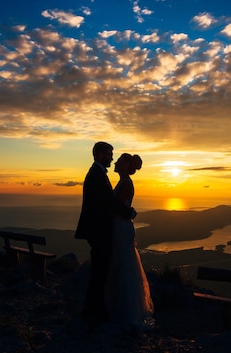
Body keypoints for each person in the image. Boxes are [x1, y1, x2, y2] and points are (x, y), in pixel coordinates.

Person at [75, 141, 133, 325]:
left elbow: (108, 201)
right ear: (100, 155)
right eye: (109, 154)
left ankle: (93, 308)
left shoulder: (97, 173)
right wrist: (128, 213)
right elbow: (109, 202)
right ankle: (95, 310)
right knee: (100, 271)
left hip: (98, 230)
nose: (112, 158)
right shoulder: (97, 174)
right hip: (99, 231)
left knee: (100, 271)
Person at [105, 153, 155, 332]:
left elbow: (117, 207)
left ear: (126, 165)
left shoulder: (126, 183)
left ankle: (127, 311)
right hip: (120, 227)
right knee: (121, 264)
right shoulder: (124, 182)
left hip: (121, 228)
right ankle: (124, 308)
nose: (116, 163)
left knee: (124, 265)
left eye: (119, 161)